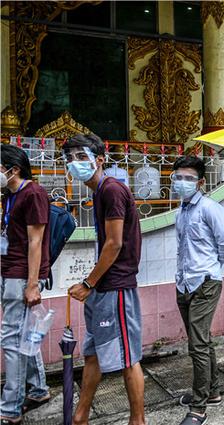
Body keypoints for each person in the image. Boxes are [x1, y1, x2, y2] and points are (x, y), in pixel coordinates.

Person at [63, 134, 145, 425]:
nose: (74, 163)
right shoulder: (98, 192)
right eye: (70, 158)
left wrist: (88, 284)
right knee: (93, 353)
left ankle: (138, 420)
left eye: (81, 157)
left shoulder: (111, 190)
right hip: (102, 286)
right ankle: (81, 416)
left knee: (127, 358)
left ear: (100, 160)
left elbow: (114, 243)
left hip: (116, 287)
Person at [172, 156, 224, 424]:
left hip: (206, 282)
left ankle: (199, 407)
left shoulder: (210, 208)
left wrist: (211, 269)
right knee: (201, 340)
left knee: (197, 344)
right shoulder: (180, 211)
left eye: (188, 178)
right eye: (178, 177)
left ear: (200, 182)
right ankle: (212, 391)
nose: (182, 182)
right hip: (183, 282)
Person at [0, 144, 51, 424]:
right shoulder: (9, 194)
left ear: (13, 169)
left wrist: (32, 285)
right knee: (24, 333)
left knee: (11, 339)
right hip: (9, 270)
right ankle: (40, 389)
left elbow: (36, 242)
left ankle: (10, 407)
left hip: (22, 275)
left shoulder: (33, 193)